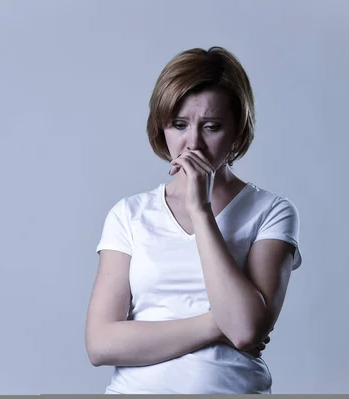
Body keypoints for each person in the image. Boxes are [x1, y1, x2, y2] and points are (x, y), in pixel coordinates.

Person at [84, 46, 302, 394]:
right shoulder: (128, 215)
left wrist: (201, 211)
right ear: (162, 128)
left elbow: (246, 333)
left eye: (212, 126)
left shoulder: (271, 211)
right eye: (179, 125)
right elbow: (101, 344)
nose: (193, 143)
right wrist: (219, 323)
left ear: (237, 132)